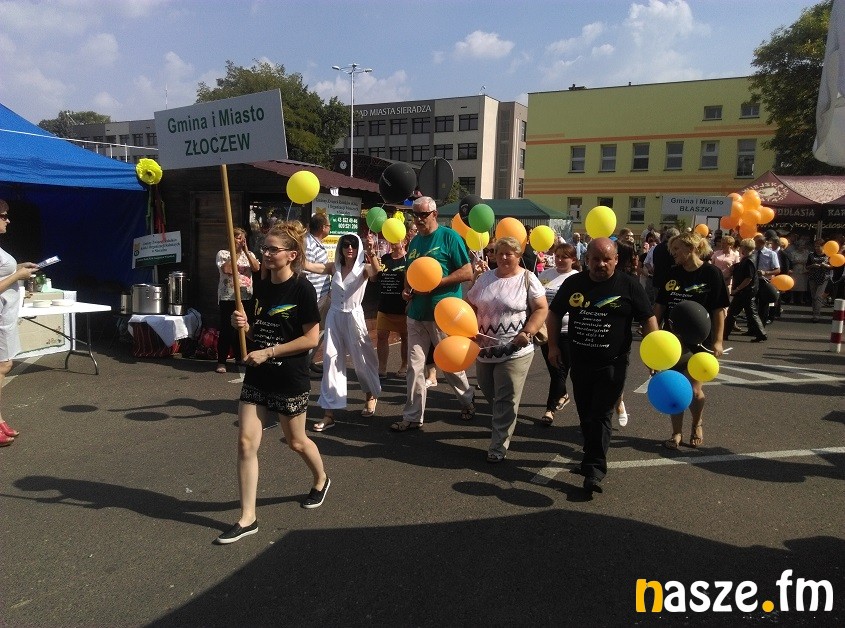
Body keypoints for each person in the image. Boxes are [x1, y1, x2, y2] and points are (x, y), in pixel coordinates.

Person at [217, 221, 328, 544]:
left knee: (296, 441)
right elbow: (258, 331)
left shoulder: (302, 289)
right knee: (245, 443)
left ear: (291, 255)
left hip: (289, 376)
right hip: (258, 374)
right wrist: (243, 325)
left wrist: (269, 352)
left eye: (272, 249)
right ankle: (248, 517)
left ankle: (321, 479)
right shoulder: (261, 287)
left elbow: (311, 338)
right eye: (264, 248)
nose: (266, 254)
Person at [547, 238, 657, 494]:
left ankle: (594, 470)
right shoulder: (574, 283)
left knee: (600, 414)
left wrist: (653, 354)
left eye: (607, 259)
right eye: (595, 259)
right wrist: (553, 346)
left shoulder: (629, 285)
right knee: (585, 412)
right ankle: (590, 457)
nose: (601, 264)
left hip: (612, 364)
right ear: (587, 260)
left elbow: (648, 319)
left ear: (616, 260)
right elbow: (554, 314)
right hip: (580, 361)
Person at [393, 196, 475, 432]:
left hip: (442, 314)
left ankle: (467, 400)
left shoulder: (449, 237)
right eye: (415, 215)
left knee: (449, 365)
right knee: (414, 367)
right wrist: (406, 292)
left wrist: (437, 282)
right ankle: (412, 417)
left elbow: (467, 272)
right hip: (416, 313)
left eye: (423, 214)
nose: (418, 219)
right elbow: (411, 274)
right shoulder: (415, 241)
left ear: (435, 214)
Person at [466, 236, 548, 462]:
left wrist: (527, 332)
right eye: (498, 253)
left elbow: (541, 308)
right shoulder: (485, 278)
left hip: (515, 349)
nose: (502, 257)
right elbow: (470, 304)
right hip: (484, 349)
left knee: (505, 397)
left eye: (508, 253)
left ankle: (498, 446)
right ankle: (504, 423)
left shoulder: (528, 278)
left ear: (518, 256)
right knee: (489, 391)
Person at [654, 232, 728, 450]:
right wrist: (654, 335)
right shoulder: (672, 273)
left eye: (677, 249)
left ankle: (697, 423)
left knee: (694, 391)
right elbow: (660, 306)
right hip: (672, 342)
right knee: (675, 389)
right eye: (672, 250)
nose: (674, 254)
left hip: (700, 341)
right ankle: (676, 432)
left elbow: (718, 310)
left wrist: (718, 341)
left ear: (691, 248)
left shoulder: (711, 273)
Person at [302, 233, 382, 431]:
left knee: (362, 360)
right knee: (331, 361)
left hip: (354, 317)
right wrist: (295, 248)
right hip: (335, 316)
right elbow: (309, 266)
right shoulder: (334, 267)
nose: (349, 248)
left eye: (353, 245)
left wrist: (372, 252)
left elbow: (376, 271)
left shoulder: (363, 268)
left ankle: (370, 395)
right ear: (341, 248)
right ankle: (329, 414)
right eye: (346, 245)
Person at [0, 201, 38, 447]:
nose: (8, 220)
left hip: (5, 317)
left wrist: (19, 267)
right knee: (3, 366)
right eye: (3, 216)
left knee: (3, 365)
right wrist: (18, 275)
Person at [536, 243, 580, 425]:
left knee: (560, 371)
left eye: (565, 257)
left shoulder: (577, 278)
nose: (560, 260)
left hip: (568, 332)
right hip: (546, 331)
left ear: (573, 259)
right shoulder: (545, 275)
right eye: (558, 256)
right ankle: (563, 394)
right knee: (554, 370)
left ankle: (550, 410)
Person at [215, 227, 260, 373]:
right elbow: (227, 269)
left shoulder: (249, 254)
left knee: (242, 327)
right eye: (238, 237)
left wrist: (245, 251)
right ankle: (221, 361)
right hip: (228, 296)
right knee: (227, 329)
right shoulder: (223, 254)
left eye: (243, 238)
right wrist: (236, 252)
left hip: (246, 295)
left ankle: (240, 357)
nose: (241, 241)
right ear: (230, 238)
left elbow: (256, 268)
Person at [375, 237, 408, 379]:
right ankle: (382, 367)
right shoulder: (384, 258)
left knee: (405, 337)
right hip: (385, 304)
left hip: (403, 306)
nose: (393, 242)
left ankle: (404, 366)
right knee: (381, 336)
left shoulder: (408, 259)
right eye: (391, 239)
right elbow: (376, 277)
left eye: (397, 239)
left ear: (405, 241)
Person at [304, 213, 331, 373]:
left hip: (323, 294)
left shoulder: (316, 243)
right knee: (311, 330)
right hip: (314, 295)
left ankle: (309, 361)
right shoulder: (308, 243)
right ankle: (304, 364)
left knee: (322, 329)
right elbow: (304, 270)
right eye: (329, 226)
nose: (329, 228)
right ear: (323, 227)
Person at [724, 238, 767, 342]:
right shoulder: (749, 258)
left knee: (733, 313)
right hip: (746, 291)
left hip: (745, 291)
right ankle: (761, 333)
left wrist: (737, 289)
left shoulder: (749, 260)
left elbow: (748, 278)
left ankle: (724, 333)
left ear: (745, 248)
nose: (740, 248)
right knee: (750, 313)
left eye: (742, 246)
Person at [752, 233, 780, 325]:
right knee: (752, 304)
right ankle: (752, 326)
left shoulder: (771, 254)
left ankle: (761, 325)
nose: (754, 245)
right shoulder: (752, 252)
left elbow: (777, 270)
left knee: (763, 304)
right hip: (753, 281)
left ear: (762, 243)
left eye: (756, 243)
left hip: (764, 281)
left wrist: (765, 272)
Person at [806, 239, 831, 322]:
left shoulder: (828, 255)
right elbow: (807, 267)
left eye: (818, 246)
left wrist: (825, 265)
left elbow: (832, 266)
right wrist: (813, 265)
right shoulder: (811, 255)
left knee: (818, 296)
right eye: (815, 246)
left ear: (823, 246)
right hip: (813, 277)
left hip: (823, 277)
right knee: (813, 297)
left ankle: (817, 315)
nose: (816, 248)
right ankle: (814, 313)